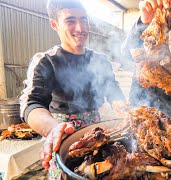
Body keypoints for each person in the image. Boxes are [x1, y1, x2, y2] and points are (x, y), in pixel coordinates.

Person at [19, 0, 125, 178]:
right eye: (70, 21)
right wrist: (53, 129)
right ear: (55, 25)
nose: (81, 27)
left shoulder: (100, 60)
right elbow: (31, 103)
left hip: (97, 132)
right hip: (62, 133)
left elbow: (114, 92)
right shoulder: (47, 61)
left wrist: (124, 109)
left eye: (84, 20)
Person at [121, 0, 171, 117]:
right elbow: (126, 52)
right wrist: (143, 23)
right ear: (166, 31)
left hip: (163, 120)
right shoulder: (146, 52)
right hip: (136, 115)